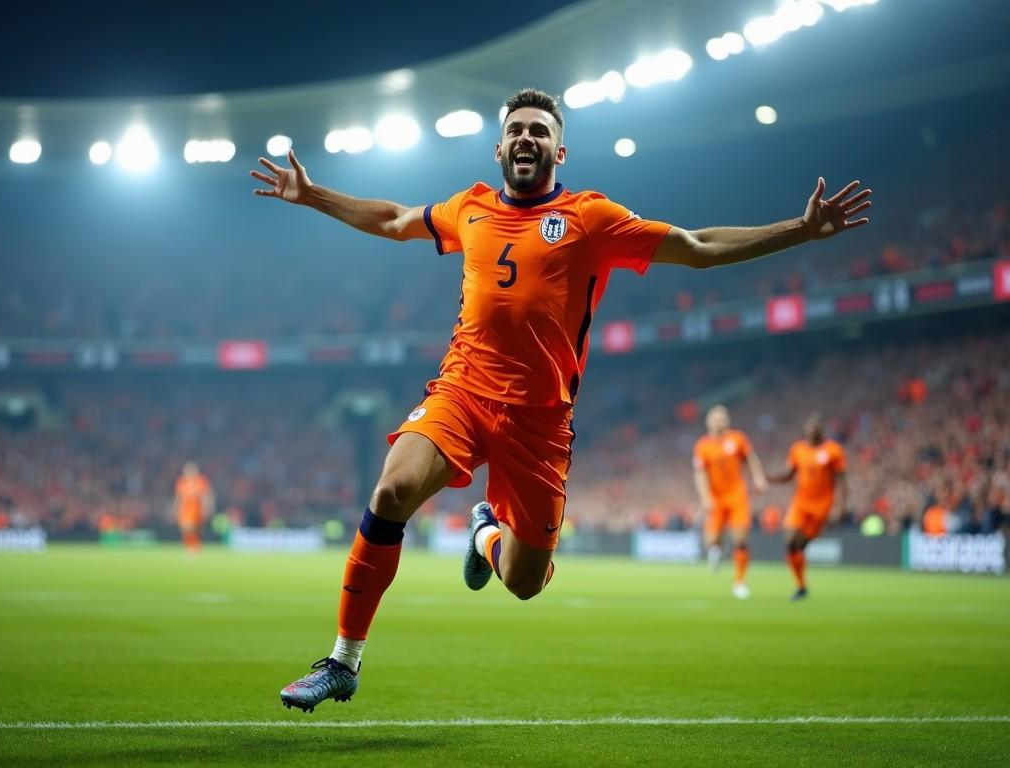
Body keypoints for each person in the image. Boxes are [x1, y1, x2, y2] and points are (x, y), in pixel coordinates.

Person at [250, 88, 871, 711]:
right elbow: (392, 220)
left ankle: (487, 533)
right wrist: (312, 194)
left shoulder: (590, 218)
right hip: (462, 392)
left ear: (559, 149)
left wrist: (802, 230)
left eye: (538, 131)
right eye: (516, 129)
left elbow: (698, 247)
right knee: (390, 492)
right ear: (498, 148)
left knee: (524, 582)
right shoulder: (469, 208)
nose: (526, 138)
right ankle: (343, 661)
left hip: (540, 426)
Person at [769, 414, 848, 600]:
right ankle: (800, 585)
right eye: (808, 430)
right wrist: (770, 478)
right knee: (789, 542)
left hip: (821, 506)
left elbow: (842, 480)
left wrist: (840, 506)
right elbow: (789, 475)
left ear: (821, 431)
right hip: (800, 504)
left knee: (800, 545)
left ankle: (801, 584)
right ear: (805, 432)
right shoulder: (797, 450)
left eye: (815, 430)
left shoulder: (833, 451)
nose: (812, 433)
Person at [692, 405, 767, 599]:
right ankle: (716, 550)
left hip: (737, 496)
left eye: (722, 418)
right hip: (716, 499)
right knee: (711, 540)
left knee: (740, 539)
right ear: (708, 422)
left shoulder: (737, 439)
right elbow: (700, 474)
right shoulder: (702, 446)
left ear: (727, 421)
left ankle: (739, 582)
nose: (719, 422)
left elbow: (750, 458)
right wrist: (705, 497)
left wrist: (758, 477)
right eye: (715, 419)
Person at [173, 461, 214, 557]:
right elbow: (179, 497)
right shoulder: (182, 482)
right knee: (186, 528)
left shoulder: (201, 481)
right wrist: (175, 508)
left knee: (195, 528)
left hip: (196, 508)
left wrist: (207, 506)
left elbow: (206, 495)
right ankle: (190, 546)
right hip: (185, 509)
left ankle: (195, 547)